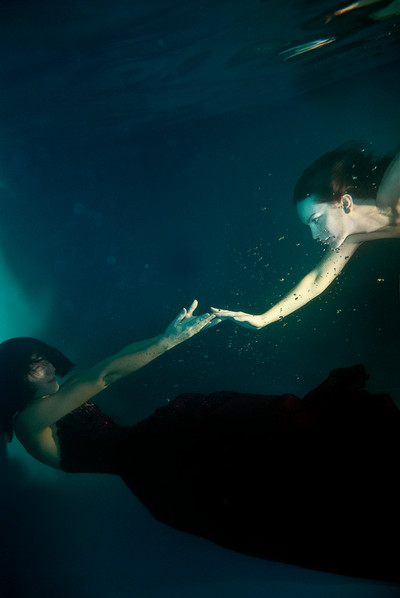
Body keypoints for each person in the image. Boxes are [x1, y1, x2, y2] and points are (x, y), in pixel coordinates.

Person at [1, 301, 399, 582]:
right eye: (34, 365)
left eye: (43, 357)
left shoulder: (52, 399)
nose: (48, 366)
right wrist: (171, 342)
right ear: (13, 379)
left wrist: (167, 335)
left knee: (268, 453)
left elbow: (108, 364)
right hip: (156, 467)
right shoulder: (30, 421)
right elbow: (103, 377)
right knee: (269, 484)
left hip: (155, 456)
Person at [211, 141, 400, 329]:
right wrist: (263, 319)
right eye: (309, 225)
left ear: (345, 203)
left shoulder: (393, 188)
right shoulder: (352, 239)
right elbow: (317, 279)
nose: (314, 235)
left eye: (316, 219)